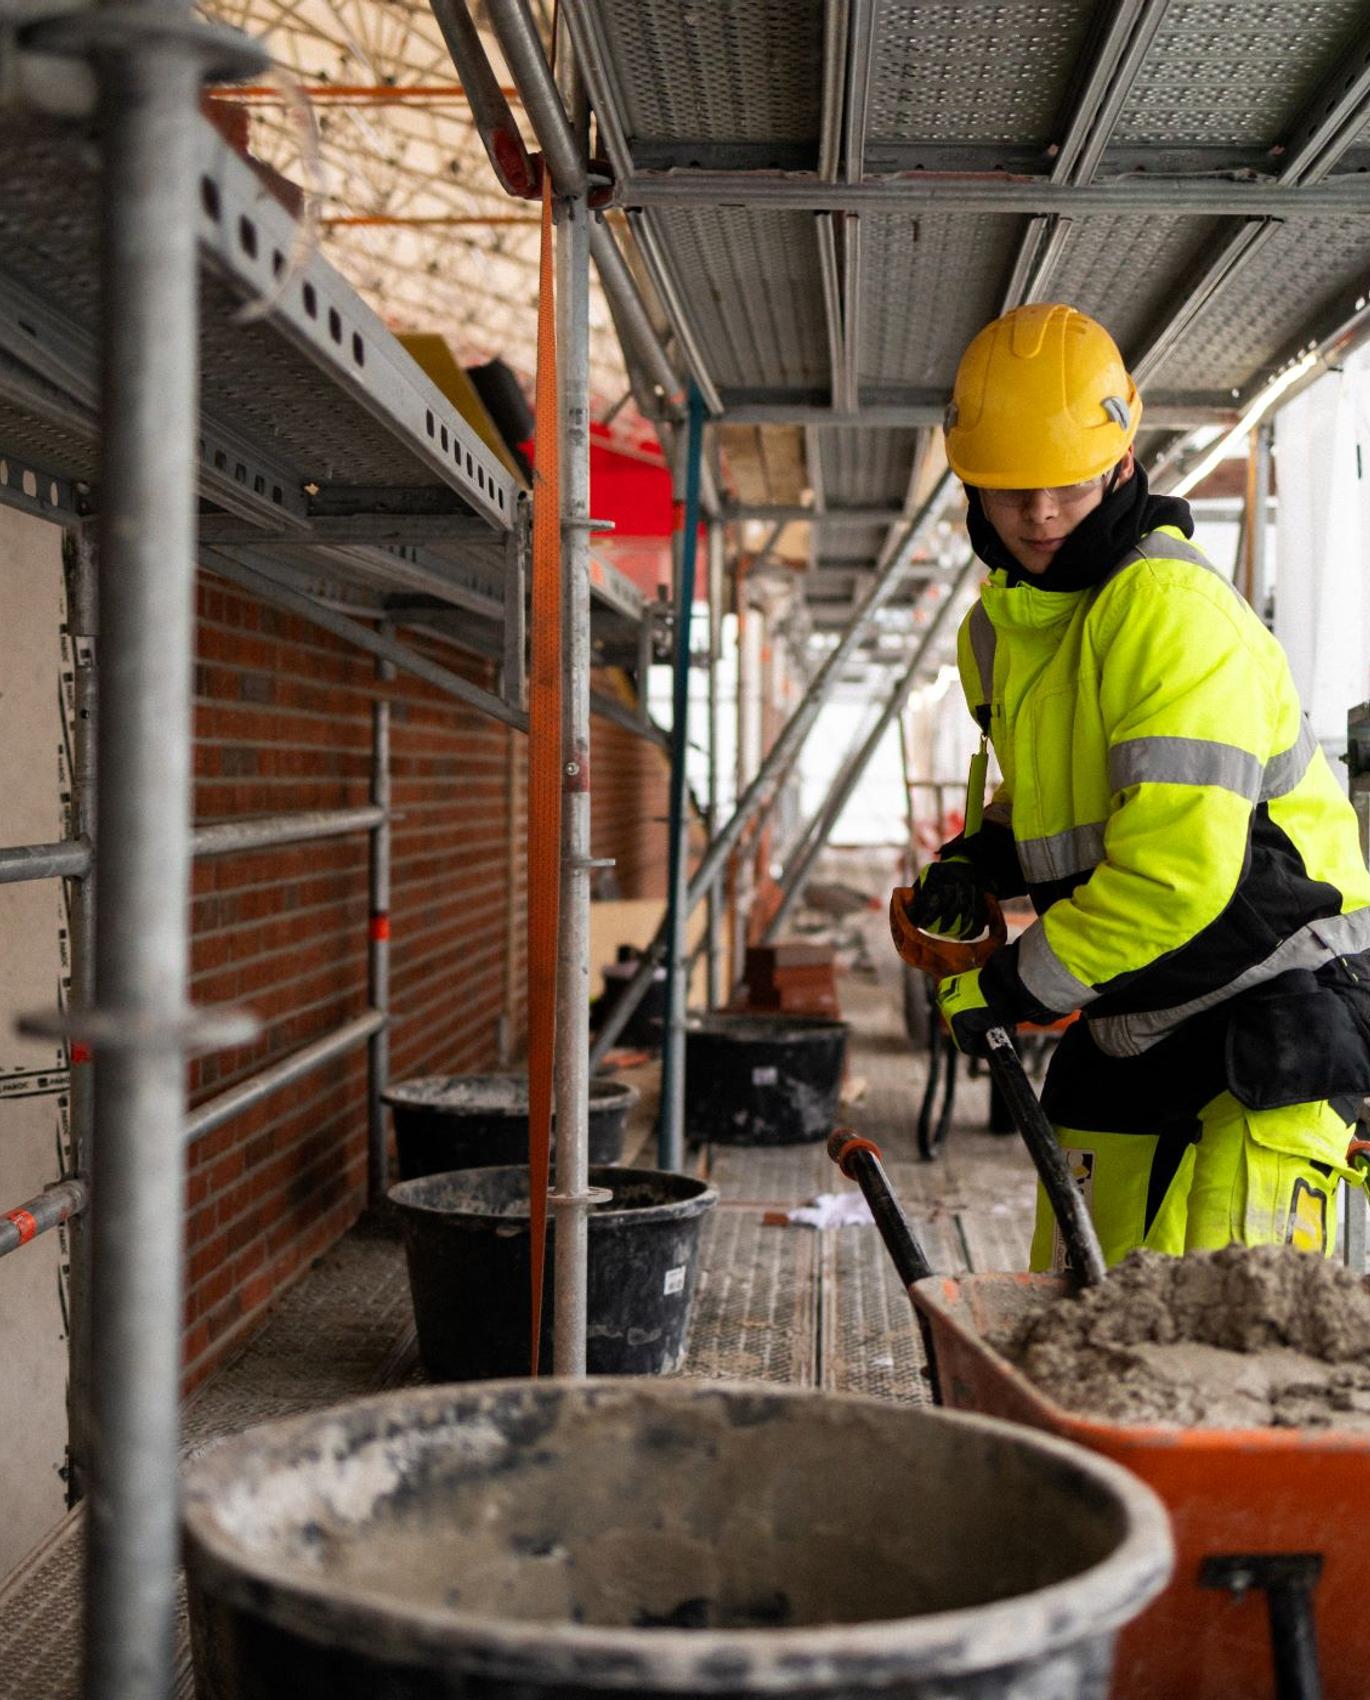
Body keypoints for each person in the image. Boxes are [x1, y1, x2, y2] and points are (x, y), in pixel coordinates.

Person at [907, 301, 1370, 1269]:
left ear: (1120, 464)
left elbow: (1172, 873)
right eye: (1010, 491)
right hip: (1132, 1004)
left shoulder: (1168, 609)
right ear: (970, 489)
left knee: (1222, 1350)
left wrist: (1009, 984)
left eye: (1067, 488)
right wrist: (980, 857)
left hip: (1265, 1005)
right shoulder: (997, 633)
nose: (1038, 515)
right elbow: (1066, 796)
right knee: (1079, 1300)